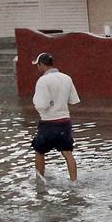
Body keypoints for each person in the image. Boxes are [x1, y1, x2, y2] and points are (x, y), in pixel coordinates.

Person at [31, 52, 81, 183]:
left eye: (38, 65)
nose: (37, 68)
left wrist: (36, 105)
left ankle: (40, 181)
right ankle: (74, 182)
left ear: (42, 64)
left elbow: (42, 105)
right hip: (65, 122)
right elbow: (73, 101)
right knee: (68, 153)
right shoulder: (67, 78)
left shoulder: (42, 80)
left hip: (48, 123)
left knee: (39, 151)